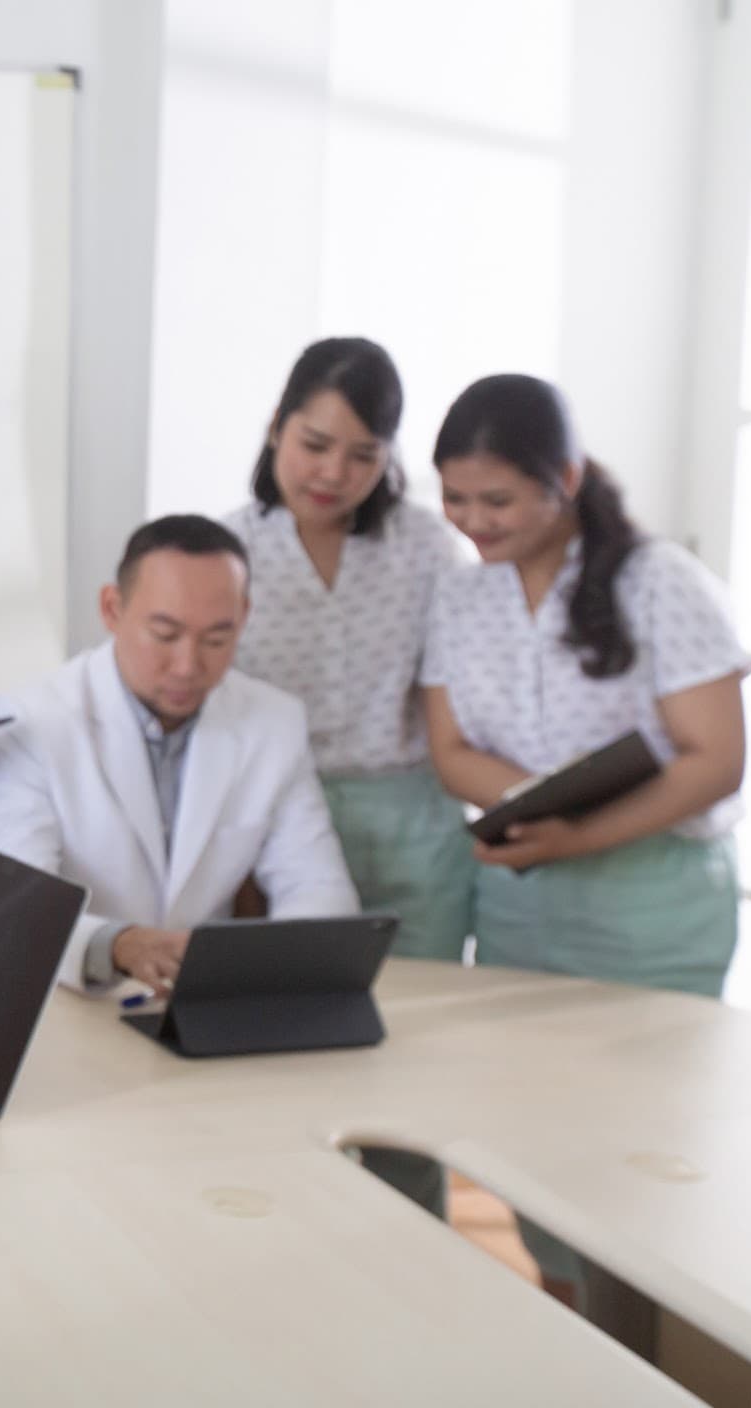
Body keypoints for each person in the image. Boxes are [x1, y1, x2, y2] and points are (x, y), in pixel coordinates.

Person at [423, 372, 749, 1301]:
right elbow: (451, 750)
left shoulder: (661, 584)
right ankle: (564, 1307)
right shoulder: (462, 597)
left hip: (655, 900)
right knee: (531, 1133)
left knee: (647, 1146)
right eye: (454, 498)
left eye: (498, 500)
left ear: (563, 477)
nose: (473, 522)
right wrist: (541, 809)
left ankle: (657, 1326)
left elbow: (714, 760)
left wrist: (576, 832)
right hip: (524, 901)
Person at [0, 514, 358, 996]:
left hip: (201, 999)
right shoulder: (30, 718)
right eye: (166, 634)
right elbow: (13, 903)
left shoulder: (274, 722)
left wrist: (286, 973)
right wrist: (116, 944)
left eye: (217, 639)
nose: (188, 665)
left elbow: (319, 891)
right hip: (65, 996)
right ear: (112, 609)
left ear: (243, 617)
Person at [222, 338, 473, 965]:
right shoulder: (227, 551)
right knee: (293, 1011)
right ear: (277, 428)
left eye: (364, 455)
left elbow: (454, 695)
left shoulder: (424, 545)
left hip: (415, 824)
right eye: (315, 445)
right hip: (281, 816)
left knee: (428, 1018)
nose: (334, 474)